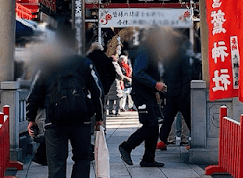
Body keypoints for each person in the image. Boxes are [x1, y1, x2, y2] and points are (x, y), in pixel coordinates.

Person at [26, 32, 103, 178]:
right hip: (81, 119)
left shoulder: (46, 65)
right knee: (82, 159)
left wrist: (31, 118)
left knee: (56, 163)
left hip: (54, 120)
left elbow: (35, 93)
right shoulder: (84, 62)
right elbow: (96, 91)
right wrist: (98, 117)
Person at [118, 27, 167, 168]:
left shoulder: (150, 50)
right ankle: (127, 147)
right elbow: (139, 73)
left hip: (148, 93)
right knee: (151, 124)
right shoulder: (145, 50)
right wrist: (155, 84)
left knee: (152, 125)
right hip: (142, 94)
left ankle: (148, 159)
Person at [156, 30, 192, 151]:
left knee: (179, 118)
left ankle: (164, 141)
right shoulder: (174, 57)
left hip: (177, 93)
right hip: (175, 93)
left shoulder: (181, 56)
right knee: (172, 119)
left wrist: (184, 93)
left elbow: (186, 76)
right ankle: (164, 140)